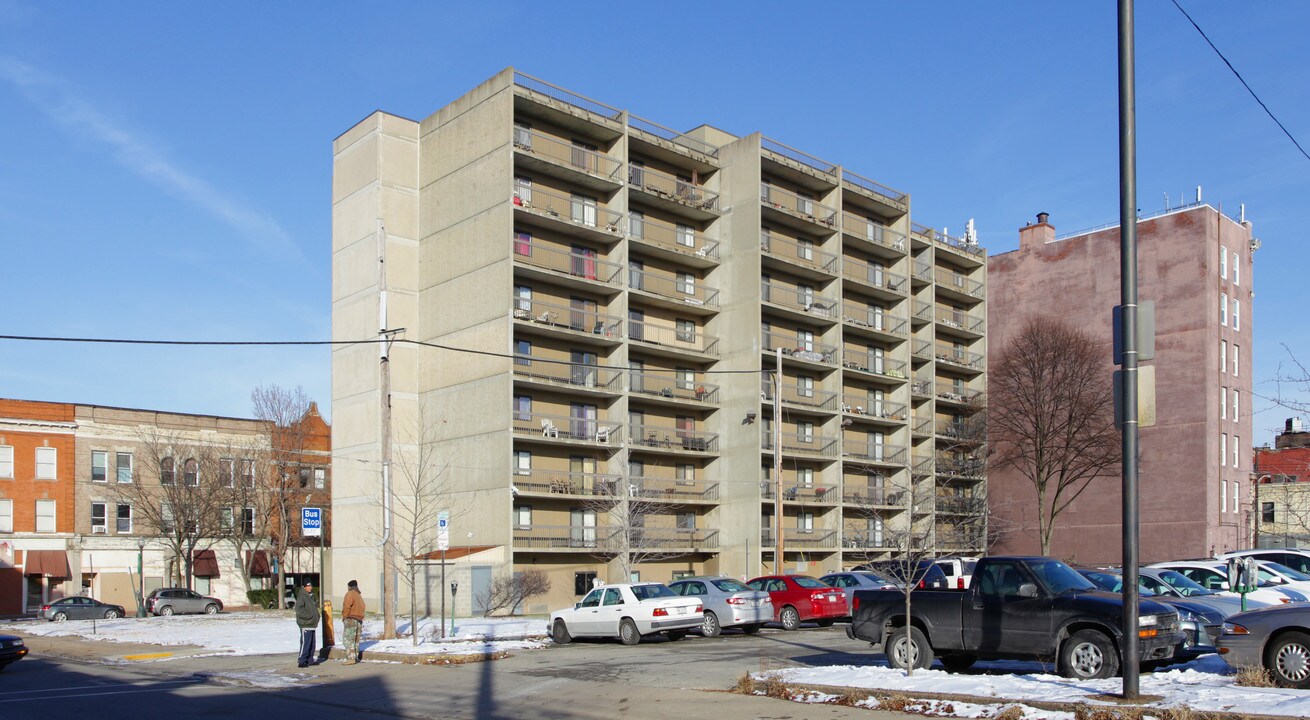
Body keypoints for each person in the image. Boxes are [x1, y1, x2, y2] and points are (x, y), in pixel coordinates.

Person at [295, 580, 319, 668]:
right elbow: (299, 609)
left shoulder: (311, 596)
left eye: (311, 586)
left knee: (312, 643)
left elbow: (314, 608)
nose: (310, 587)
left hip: (312, 624)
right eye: (308, 586)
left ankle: (310, 659)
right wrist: (309, 616)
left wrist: (317, 616)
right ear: (304, 587)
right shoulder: (302, 595)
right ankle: (302, 660)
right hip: (305, 623)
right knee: (306, 642)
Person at [341, 579, 365, 664]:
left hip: (351, 619)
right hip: (359, 620)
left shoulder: (350, 594)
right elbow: (363, 607)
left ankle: (351, 658)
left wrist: (344, 617)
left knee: (348, 639)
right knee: (356, 640)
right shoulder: (359, 596)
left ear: (350, 586)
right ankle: (356, 657)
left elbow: (347, 606)